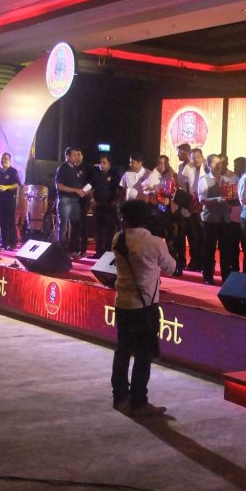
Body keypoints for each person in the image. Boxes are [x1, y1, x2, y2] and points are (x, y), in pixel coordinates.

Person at [110, 199, 176, 416]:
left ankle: (120, 397)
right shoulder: (155, 242)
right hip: (145, 306)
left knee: (122, 351)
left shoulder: (118, 238)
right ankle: (138, 401)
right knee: (143, 354)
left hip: (122, 303)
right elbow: (171, 268)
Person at [198, 153, 230, 285]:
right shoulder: (204, 180)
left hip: (224, 219)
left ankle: (226, 277)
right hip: (210, 219)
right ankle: (208, 276)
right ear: (208, 165)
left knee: (225, 249)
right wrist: (217, 199)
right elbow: (202, 200)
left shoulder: (226, 179)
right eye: (215, 163)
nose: (218, 165)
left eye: (220, 163)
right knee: (209, 249)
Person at [55, 146, 90, 257]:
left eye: (77, 155)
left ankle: (73, 250)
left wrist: (83, 190)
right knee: (63, 226)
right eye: (74, 155)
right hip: (65, 200)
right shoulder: (62, 169)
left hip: (75, 200)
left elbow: (77, 185)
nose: (76, 157)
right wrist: (75, 190)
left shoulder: (75, 169)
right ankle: (61, 252)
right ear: (67, 156)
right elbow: (59, 186)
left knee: (76, 225)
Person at [89, 154, 121, 259]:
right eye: (100, 162)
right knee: (98, 230)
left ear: (109, 164)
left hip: (109, 206)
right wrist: (92, 199)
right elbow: (89, 187)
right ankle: (98, 252)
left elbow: (120, 189)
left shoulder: (115, 174)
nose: (101, 165)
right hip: (98, 205)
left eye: (104, 162)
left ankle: (107, 252)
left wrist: (116, 201)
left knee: (109, 230)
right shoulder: (95, 174)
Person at [0, 152, 21, 250]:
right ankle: (4, 243)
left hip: (10, 199)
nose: (3, 160)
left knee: (10, 221)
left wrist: (6, 187)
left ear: (9, 160)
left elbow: (16, 184)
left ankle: (13, 243)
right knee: (1, 222)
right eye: (2, 159)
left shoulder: (13, 171)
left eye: (6, 159)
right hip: (0, 199)